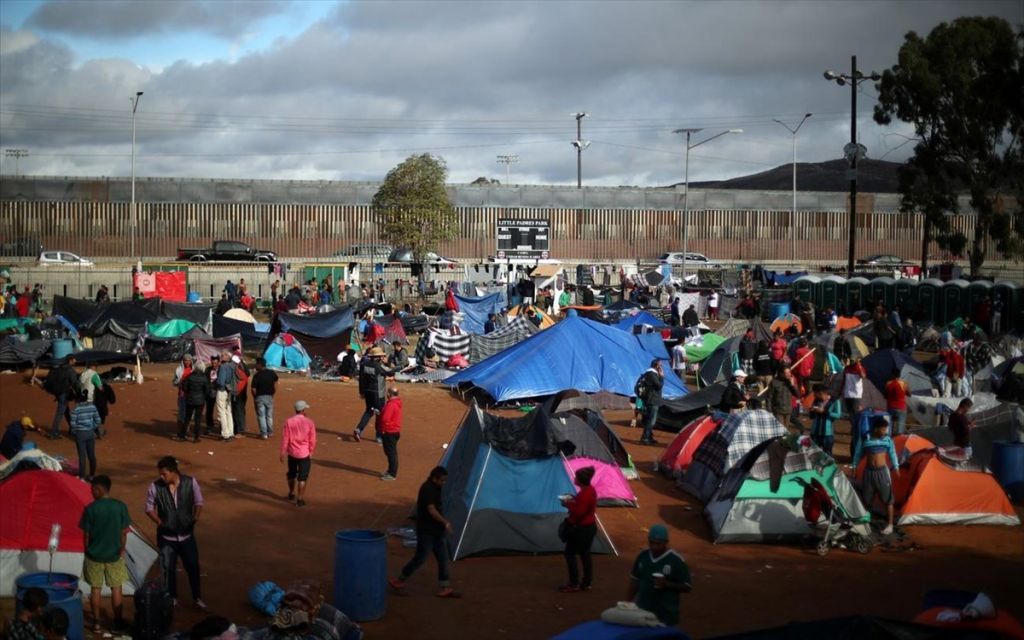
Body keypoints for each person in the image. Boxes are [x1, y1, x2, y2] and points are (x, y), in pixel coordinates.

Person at [145, 456, 206, 609]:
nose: (161, 477)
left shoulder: (190, 482)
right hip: (166, 537)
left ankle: (197, 597)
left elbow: (199, 502)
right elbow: (149, 508)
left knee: (192, 566)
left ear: (173, 472)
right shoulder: (155, 487)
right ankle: (172, 597)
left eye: (164, 474)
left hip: (186, 535)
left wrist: (194, 519)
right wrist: (159, 522)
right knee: (168, 568)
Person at [389, 466, 458, 598]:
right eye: (442, 480)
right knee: (420, 558)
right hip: (427, 531)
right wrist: (446, 522)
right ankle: (400, 580)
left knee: (442, 558)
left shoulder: (435, 487)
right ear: (434, 478)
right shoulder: (427, 489)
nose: (443, 483)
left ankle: (445, 586)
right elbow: (431, 510)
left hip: (437, 530)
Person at [79, 475, 130, 633]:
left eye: (92, 489)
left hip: (94, 556)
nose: (91, 493)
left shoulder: (90, 509)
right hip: (114, 556)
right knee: (116, 588)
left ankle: (96, 623)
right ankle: (118, 622)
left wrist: (87, 550)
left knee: (96, 589)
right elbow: (123, 532)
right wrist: (121, 549)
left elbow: (86, 535)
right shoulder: (120, 507)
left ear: (99, 489)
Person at [627, 524, 692, 627]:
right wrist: (626, 602)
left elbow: (687, 586)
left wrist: (667, 584)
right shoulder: (643, 556)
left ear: (666, 542)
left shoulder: (676, 560)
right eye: (651, 543)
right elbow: (635, 580)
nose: (654, 547)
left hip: (665, 616)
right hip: (643, 612)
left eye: (658, 544)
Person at [852, 415, 899, 535]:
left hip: (882, 472)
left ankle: (890, 525)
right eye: (883, 429)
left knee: (888, 500)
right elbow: (857, 453)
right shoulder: (865, 437)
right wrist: (854, 467)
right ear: (875, 428)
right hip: (868, 472)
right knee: (867, 500)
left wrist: (896, 467)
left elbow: (893, 454)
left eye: (885, 429)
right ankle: (866, 523)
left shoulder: (888, 439)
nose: (885, 432)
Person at [559, 466, 597, 593]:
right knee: (585, 554)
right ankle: (586, 582)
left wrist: (567, 504)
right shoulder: (590, 490)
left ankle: (574, 583)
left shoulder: (585, 494)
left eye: (576, 477)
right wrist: (573, 500)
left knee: (569, 553)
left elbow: (579, 512)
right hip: (589, 527)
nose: (574, 478)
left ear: (580, 480)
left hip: (581, 529)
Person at [353, 346, 394, 443]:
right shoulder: (378, 366)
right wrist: (388, 363)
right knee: (380, 413)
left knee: (369, 411)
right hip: (378, 393)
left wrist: (361, 392)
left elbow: (361, 379)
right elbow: (390, 372)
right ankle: (379, 436)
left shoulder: (364, 364)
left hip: (367, 391)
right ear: (378, 357)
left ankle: (359, 429)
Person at [281, 400, 317, 506]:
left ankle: (291, 493)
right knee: (302, 477)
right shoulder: (310, 422)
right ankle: (300, 499)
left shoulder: (289, 421)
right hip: (304, 453)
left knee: (291, 474)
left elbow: (285, 438)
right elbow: (312, 440)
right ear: (303, 410)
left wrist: (282, 452)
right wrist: (311, 451)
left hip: (292, 453)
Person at [70, 389, 102, 480]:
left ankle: (82, 477)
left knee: (82, 456)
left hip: (80, 434)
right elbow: (98, 421)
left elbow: (73, 424)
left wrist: (75, 432)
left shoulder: (76, 409)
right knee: (91, 455)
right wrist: (92, 427)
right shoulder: (92, 407)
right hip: (90, 433)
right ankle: (92, 475)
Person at [45, 355, 77, 439]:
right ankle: (54, 432)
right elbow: (74, 382)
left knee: (66, 411)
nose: (75, 361)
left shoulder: (59, 368)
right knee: (60, 413)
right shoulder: (70, 370)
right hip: (64, 394)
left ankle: (72, 428)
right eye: (74, 360)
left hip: (58, 393)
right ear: (70, 361)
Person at [635, 360, 664, 446]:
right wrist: (662, 377)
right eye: (660, 366)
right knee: (651, 421)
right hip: (652, 400)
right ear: (657, 366)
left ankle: (649, 437)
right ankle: (645, 438)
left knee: (649, 419)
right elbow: (658, 386)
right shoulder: (652, 374)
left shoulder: (649, 373)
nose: (662, 368)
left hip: (649, 399)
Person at [179, 362, 210, 443]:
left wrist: (189, 392)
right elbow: (207, 390)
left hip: (190, 400)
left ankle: (182, 435)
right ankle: (196, 437)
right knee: (198, 419)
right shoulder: (204, 378)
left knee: (187, 418)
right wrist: (203, 396)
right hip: (200, 401)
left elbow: (184, 388)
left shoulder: (189, 377)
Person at [808, 384, 841, 457]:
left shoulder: (834, 401)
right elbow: (811, 416)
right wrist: (812, 410)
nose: (814, 396)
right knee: (813, 454)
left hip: (827, 433)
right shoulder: (816, 401)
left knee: (827, 454)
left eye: (815, 394)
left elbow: (838, 415)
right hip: (815, 432)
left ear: (821, 393)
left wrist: (824, 411)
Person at [251, 357, 279, 440]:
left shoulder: (257, 375)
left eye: (256, 364)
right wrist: (274, 391)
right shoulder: (271, 373)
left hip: (260, 397)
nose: (255, 366)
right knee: (269, 416)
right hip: (270, 396)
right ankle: (270, 432)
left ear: (259, 365)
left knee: (261, 416)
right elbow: (276, 381)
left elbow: (253, 388)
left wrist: (255, 397)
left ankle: (264, 434)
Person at [842, 358, 867, 451]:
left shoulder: (852, 368)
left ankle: (854, 430)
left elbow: (862, 376)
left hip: (852, 395)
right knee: (854, 416)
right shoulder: (851, 368)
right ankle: (854, 430)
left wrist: (858, 366)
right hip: (852, 395)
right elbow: (863, 376)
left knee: (854, 415)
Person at [378, 387, 402, 481]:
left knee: (391, 453)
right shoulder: (396, 403)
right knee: (391, 452)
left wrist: (383, 429)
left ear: (389, 394)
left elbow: (385, 419)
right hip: (394, 431)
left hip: (389, 432)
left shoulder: (391, 405)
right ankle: (390, 471)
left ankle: (392, 474)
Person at [766, 368, 800, 432]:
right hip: (777, 410)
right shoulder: (774, 382)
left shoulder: (791, 381)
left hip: (788, 410)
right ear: (781, 373)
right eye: (786, 373)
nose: (788, 374)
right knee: (780, 430)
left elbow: (797, 395)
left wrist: (792, 385)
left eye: (789, 372)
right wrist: (769, 410)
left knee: (785, 430)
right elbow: (769, 397)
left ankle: (783, 441)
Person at [215, 351, 236, 441]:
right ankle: (230, 432)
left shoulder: (223, 367)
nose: (221, 356)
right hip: (230, 390)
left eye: (223, 355)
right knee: (228, 412)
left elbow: (220, 381)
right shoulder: (232, 366)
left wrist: (216, 384)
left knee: (221, 412)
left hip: (222, 390)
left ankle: (225, 434)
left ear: (228, 357)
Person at [172, 354, 194, 437]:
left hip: (191, 395)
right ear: (183, 361)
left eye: (189, 360)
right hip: (182, 394)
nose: (187, 362)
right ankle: (180, 430)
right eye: (185, 360)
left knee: (190, 413)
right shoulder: (179, 370)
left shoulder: (193, 369)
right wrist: (179, 381)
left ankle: (187, 430)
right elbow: (174, 382)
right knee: (181, 413)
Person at [885, 369, 909, 436]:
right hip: (901, 408)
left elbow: (885, 395)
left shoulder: (888, 383)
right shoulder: (904, 383)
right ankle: (899, 442)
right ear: (900, 375)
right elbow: (909, 394)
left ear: (892, 375)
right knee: (900, 428)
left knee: (889, 427)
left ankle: (889, 441)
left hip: (890, 407)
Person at [204, 354, 220, 435]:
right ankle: (209, 427)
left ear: (218, 363)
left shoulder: (221, 370)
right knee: (209, 410)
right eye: (212, 363)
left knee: (220, 411)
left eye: (215, 363)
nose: (214, 364)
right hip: (209, 393)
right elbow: (205, 380)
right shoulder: (207, 370)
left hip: (219, 393)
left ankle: (221, 427)